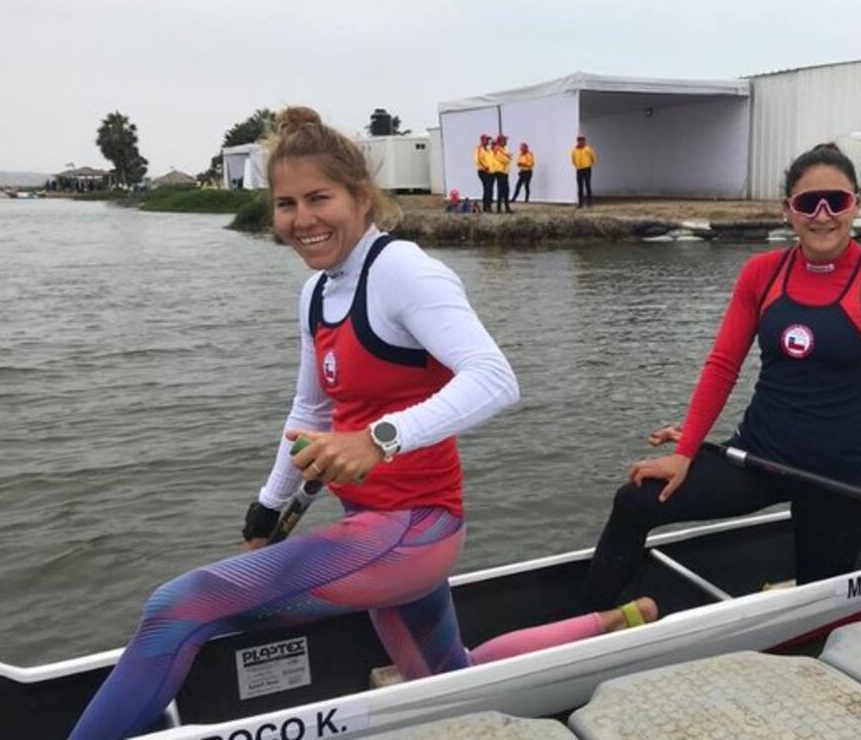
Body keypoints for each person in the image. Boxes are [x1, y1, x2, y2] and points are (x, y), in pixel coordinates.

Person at [69, 107, 657, 740]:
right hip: (370, 526)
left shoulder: (403, 271)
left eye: (319, 198)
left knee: (178, 608)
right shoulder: (318, 290)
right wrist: (266, 511)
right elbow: (310, 412)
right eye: (286, 203)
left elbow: (495, 379)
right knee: (446, 674)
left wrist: (380, 439)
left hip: (414, 530)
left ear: (362, 197)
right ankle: (618, 619)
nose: (302, 220)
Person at [583, 142, 861, 611]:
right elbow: (722, 365)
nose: (824, 215)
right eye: (809, 203)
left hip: (837, 476)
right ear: (789, 210)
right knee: (634, 501)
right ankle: (592, 624)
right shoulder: (761, 274)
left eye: (838, 201)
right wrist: (685, 454)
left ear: (856, 206)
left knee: (822, 595)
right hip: (758, 459)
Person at [571, 134, 596, 208]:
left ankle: (589, 203)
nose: (581, 141)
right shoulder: (574, 150)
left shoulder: (588, 148)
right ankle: (580, 203)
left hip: (587, 169)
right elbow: (573, 159)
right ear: (577, 141)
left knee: (588, 185)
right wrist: (577, 165)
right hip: (579, 169)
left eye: (582, 140)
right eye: (579, 140)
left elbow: (593, 157)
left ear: (584, 140)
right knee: (580, 187)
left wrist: (590, 164)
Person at [491, 134, 513, 213]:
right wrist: (508, 158)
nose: (506, 141)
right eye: (505, 140)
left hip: (504, 172)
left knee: (506, 190)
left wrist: (508, 157)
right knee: (501, 191)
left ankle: (506, 208)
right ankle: (499, 209)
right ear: (501, 141)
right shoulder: (498, 149)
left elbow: (509, 156)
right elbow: (505, 159)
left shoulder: (503, 149)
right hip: (500, 172)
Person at [475, 134, 494, 212]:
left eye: (488, 140)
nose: (488, 141)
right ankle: (486, 206)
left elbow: (492, 159)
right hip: (483, 171)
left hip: (490, 171)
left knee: (490, 189)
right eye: (487, 139)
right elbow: (478, 160)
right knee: (487, 188)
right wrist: (485, 167)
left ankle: (488, 205)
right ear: (482, 140)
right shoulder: (479, 149)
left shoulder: (489, 150)